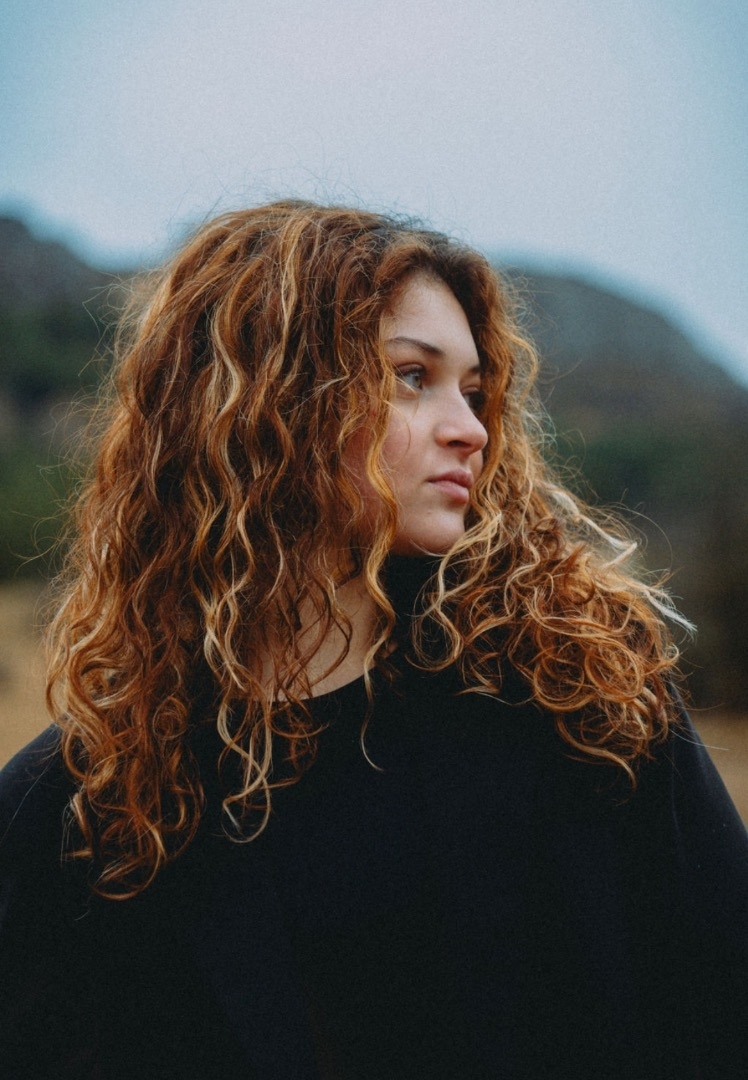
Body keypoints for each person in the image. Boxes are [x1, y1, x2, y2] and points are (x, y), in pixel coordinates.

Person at [0, 200, 746, 1080]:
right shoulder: (81, 809)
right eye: (411, 377)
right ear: (267, 402)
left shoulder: (583, 696)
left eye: (474, 390)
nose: (471, 427)